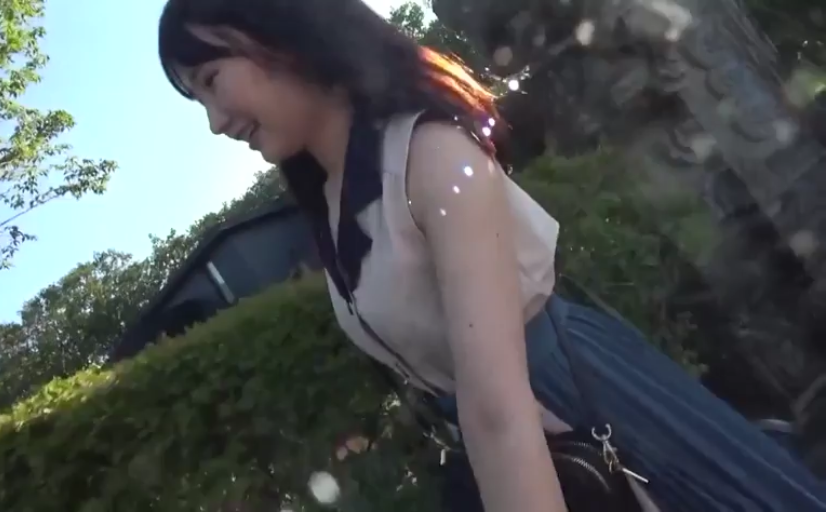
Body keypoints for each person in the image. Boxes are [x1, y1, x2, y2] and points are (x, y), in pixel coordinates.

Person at [156, 0, 826, 510]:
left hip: (593, 413)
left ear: (281, 33)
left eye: (212, 80)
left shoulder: (430, 156)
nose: (215, 121)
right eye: (196, 98)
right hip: (529, 444)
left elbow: (498, 410)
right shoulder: (330, 200)